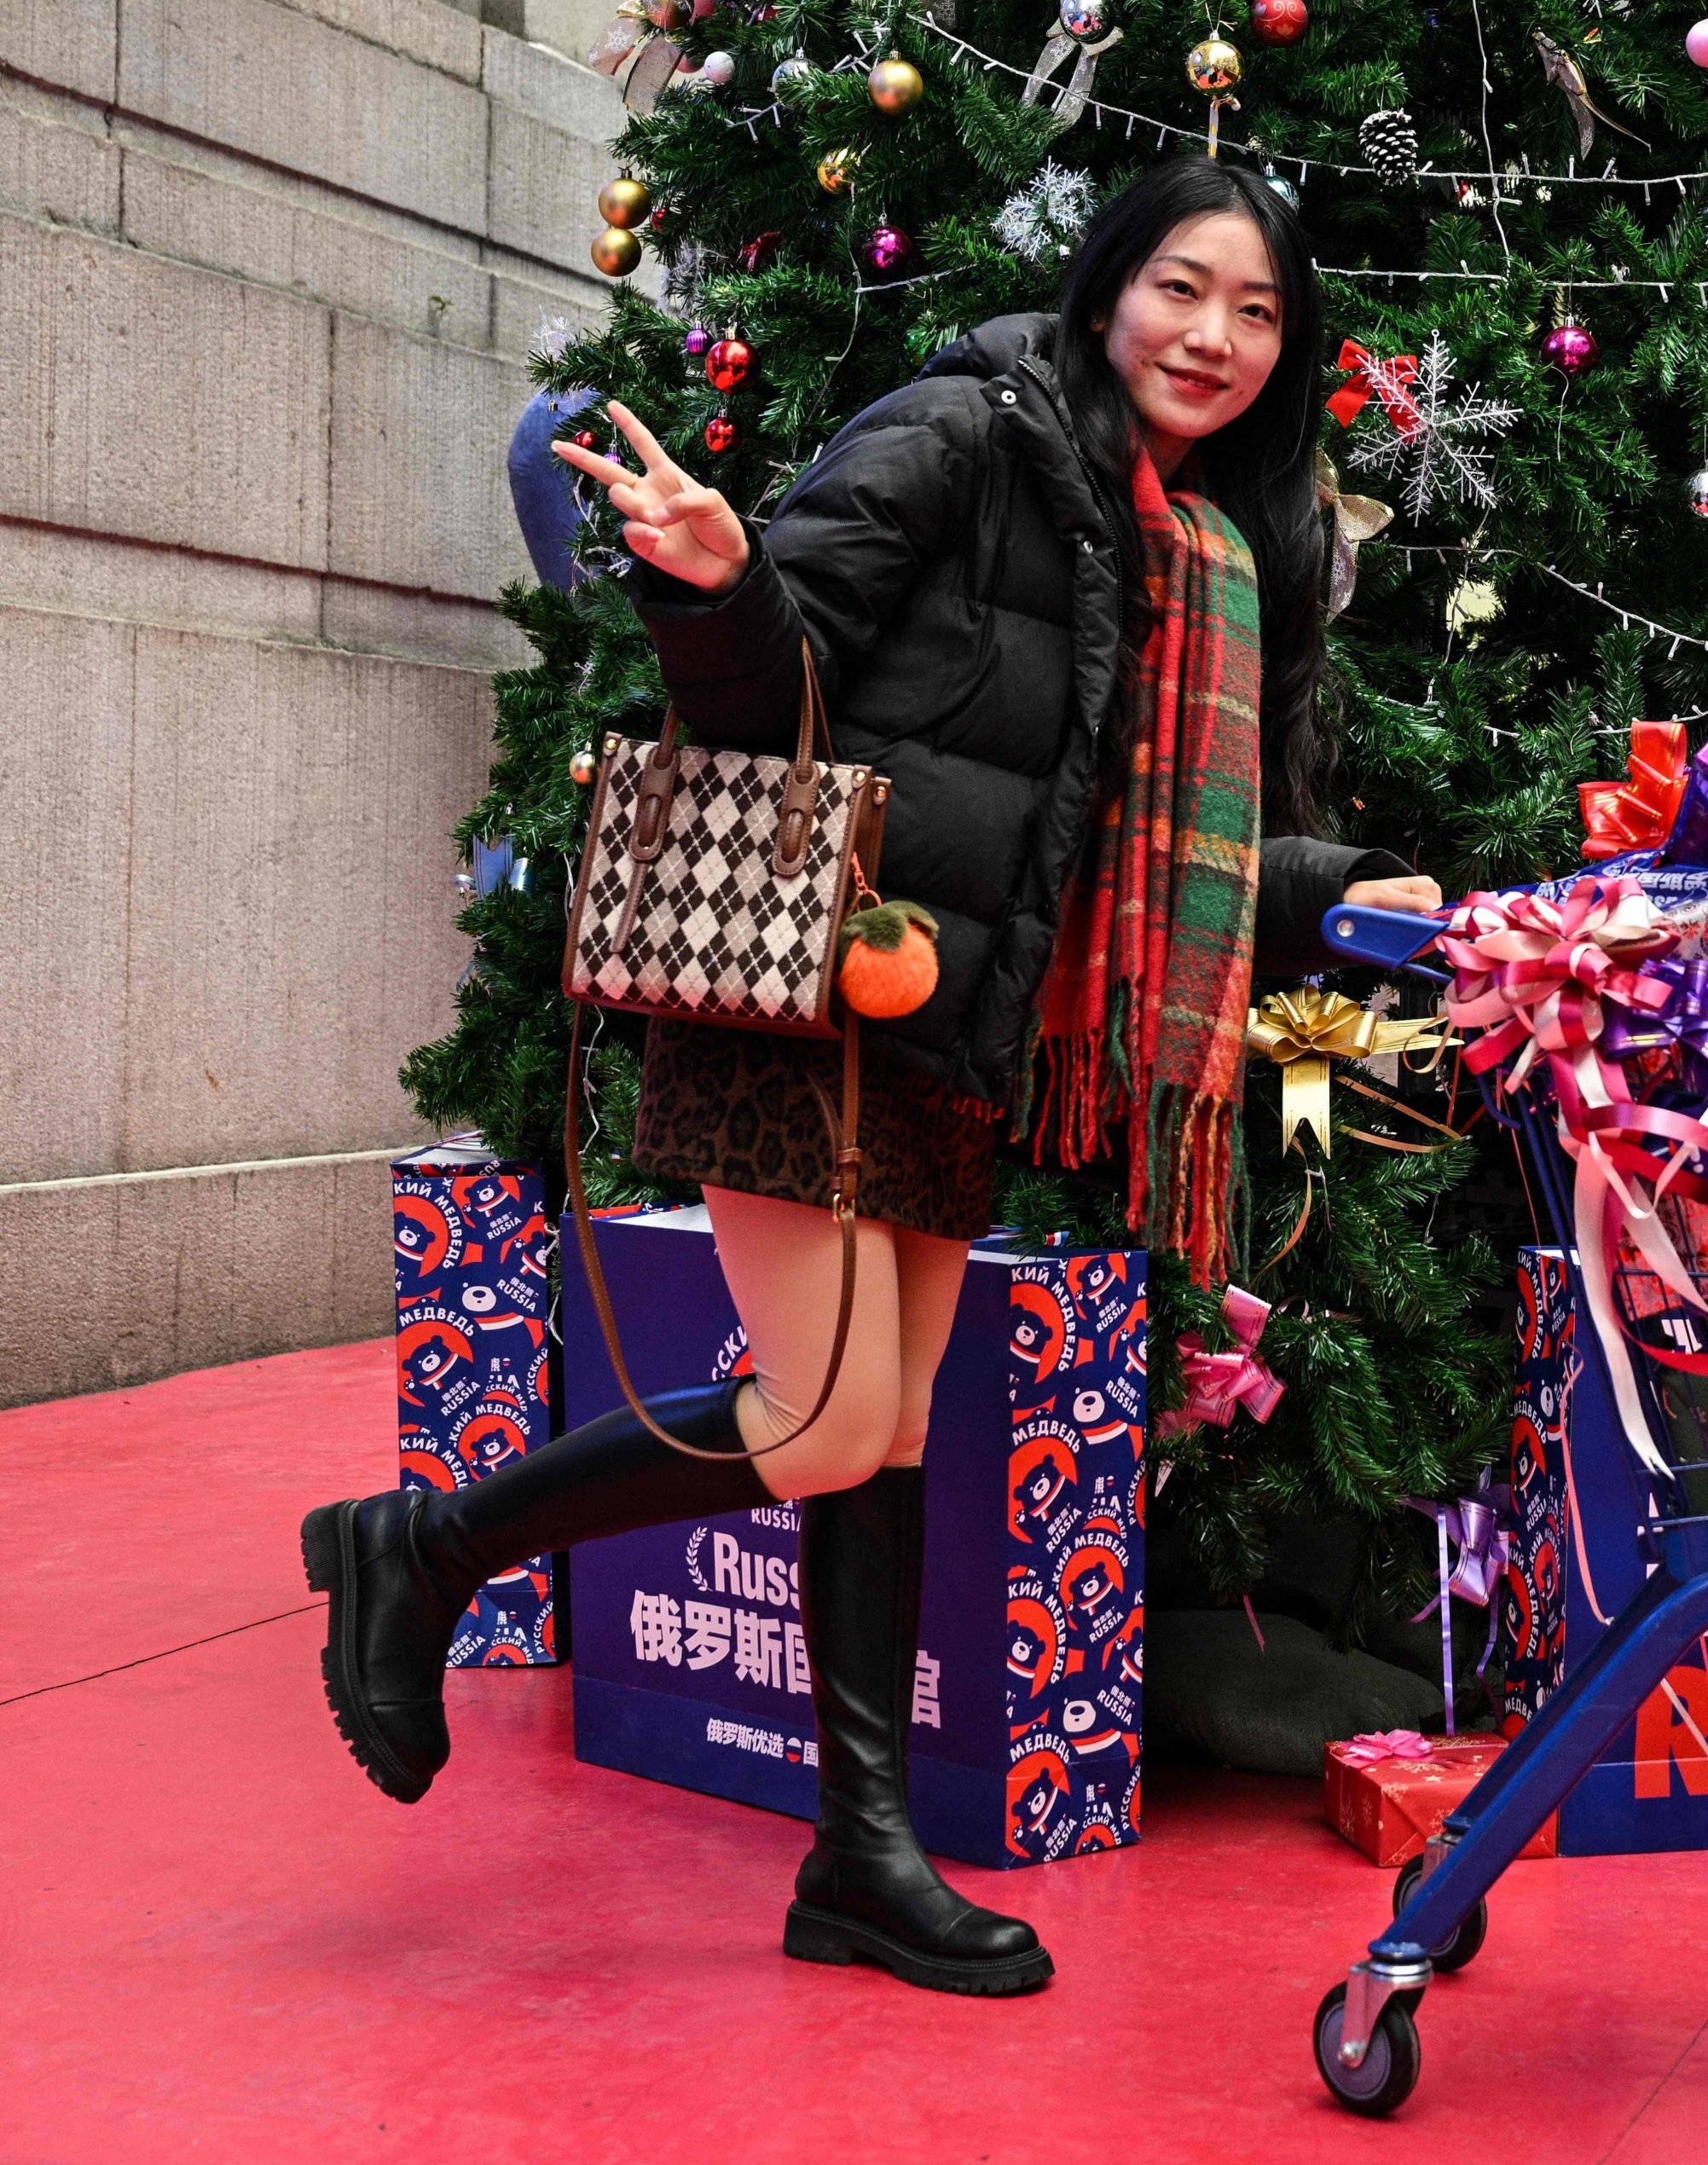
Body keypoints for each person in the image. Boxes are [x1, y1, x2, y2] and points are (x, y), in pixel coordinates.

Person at [300, 159, 1438, 1997]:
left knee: (884, 1428)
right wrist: (722, 582)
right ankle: (421, 1543)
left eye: (1255, 312)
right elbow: (771, 691)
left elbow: (1138, 846)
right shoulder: (968, 434)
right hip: (804, 987)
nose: (1212, 337)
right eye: (1180, 287)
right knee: (827, 1415)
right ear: (1101, 288)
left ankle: (859, 1855)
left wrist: (1350, 893)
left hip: (955, 1030)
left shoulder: (1211, 550)